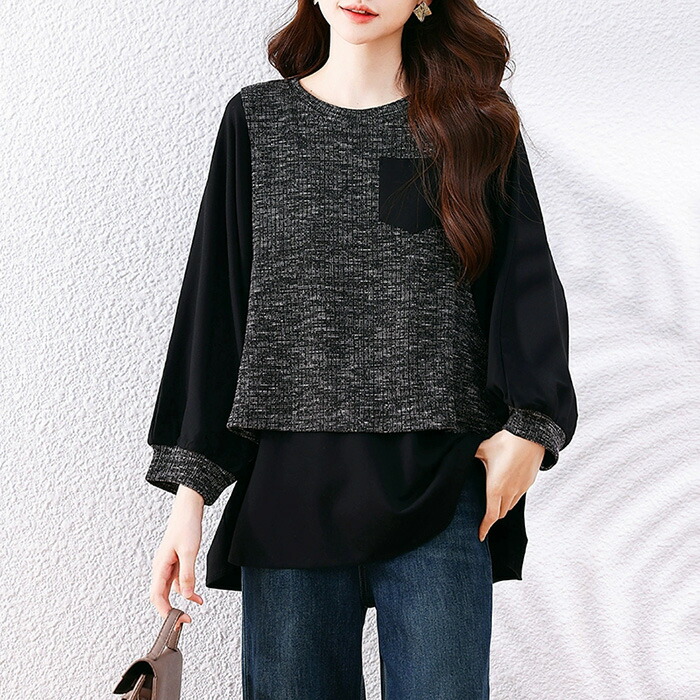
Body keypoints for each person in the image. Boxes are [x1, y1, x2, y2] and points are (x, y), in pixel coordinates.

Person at [145, 1, 578, 698]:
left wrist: (532, 426)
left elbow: (523, 282)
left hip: (439, 484)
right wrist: (188, 497)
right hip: (290, 491)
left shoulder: (473, 123)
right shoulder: (258, 122)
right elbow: (216, 308)